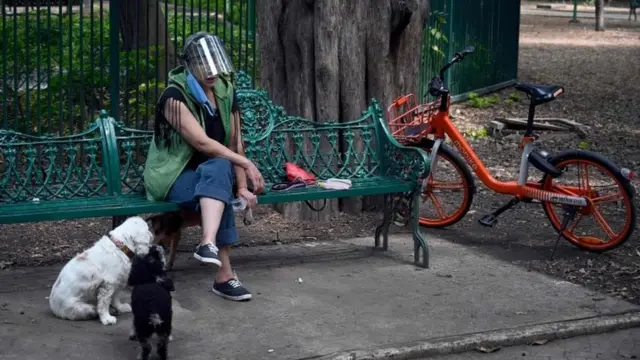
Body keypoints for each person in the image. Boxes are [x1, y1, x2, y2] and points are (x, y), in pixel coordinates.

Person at [143, 31, 265, 301]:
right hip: (173, 176)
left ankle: (207, 243)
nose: (211, 72)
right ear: (188, 64)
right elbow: (202, 144)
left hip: (211, 174)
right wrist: (246, 164)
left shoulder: (226, 90)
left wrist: (243, 187)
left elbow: (235, 143)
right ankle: (224, 277)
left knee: (219, 176)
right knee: (218, 190)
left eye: (214, 64)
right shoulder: (173, 97)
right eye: (202, 64)